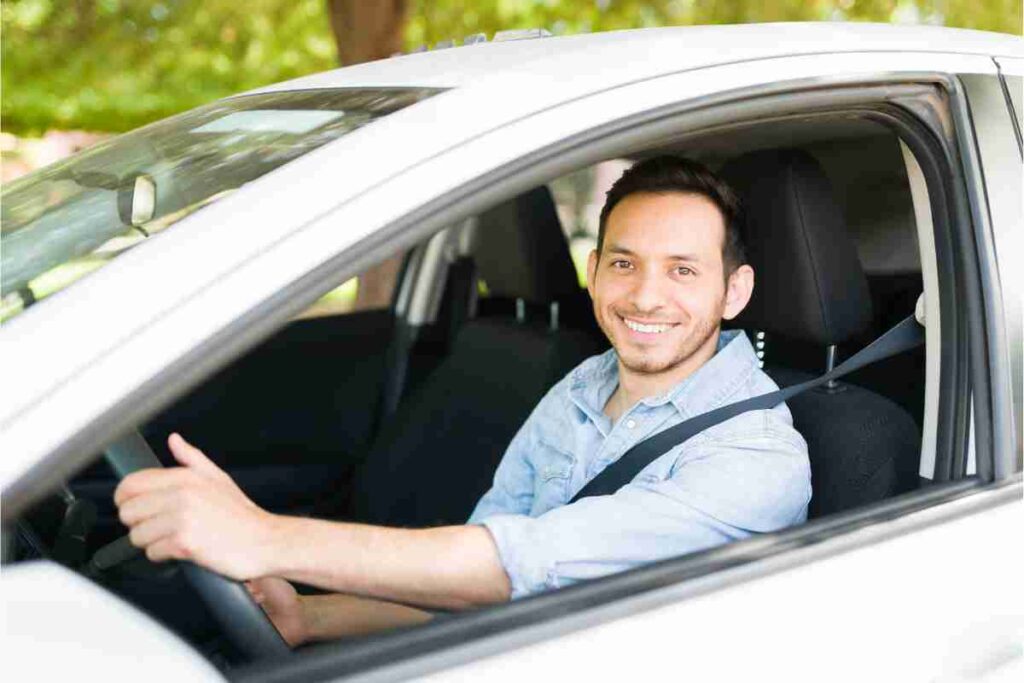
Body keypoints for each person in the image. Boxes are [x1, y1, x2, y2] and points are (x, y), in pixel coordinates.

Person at [114, 156, 811, 647]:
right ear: (593, 273)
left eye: (683, 270)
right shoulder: (583, 384)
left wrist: (263, 536)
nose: (646, 295)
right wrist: (310, 618)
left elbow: (515, 564)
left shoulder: (755, 459)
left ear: (735, 291)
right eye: (624, 263)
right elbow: (476, 590)